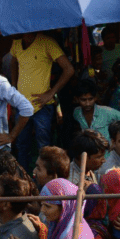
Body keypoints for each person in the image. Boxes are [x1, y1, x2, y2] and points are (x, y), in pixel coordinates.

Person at [10, 32, 75, 170]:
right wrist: (14, 87)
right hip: (22, 105)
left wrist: (51, 93)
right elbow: (13, 63)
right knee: (21, 145)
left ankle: (43, 185)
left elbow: (69, 69)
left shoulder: (47, 42)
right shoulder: (16, 43)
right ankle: (24, 183)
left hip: (42, 106)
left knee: (43, 148)